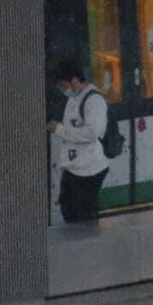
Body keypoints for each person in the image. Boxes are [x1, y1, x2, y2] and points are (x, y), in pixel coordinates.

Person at [48, 58, 110, 224]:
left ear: (74, 81)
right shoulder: (73, 99)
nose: (62, 90)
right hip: (75, 168)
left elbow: (92, 133)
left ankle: (89, 247)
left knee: (84, 217)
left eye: (63, 85)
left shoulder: (94, 101)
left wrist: (59, 129)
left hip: (90, 170)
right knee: (68, 210)